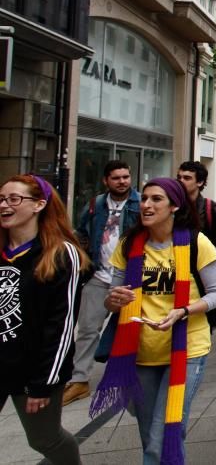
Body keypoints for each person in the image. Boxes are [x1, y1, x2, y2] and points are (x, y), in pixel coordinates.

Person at [90, 178, 216, 464]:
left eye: (156, 199)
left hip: (187, 348)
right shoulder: (129, 243)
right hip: (140, 352)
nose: (147, 205)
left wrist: (184, 311)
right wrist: (113, 301)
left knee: (162, 436)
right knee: (150, 435)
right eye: (145, 199)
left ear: (174, 206)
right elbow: (113, 296)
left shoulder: (196, 242)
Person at [1, 175, 89, 464]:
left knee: (44, 439)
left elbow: (61, 327)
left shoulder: (62, 254)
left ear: (39, 204)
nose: (5, 205)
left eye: (14, 199)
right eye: (1, 199)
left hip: (34, 370)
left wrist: (44, 383)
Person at [63, 160, 140, 406]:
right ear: (106, 180)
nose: (122, 181)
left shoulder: (140, 203)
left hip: (130, 278)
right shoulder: (96, 205)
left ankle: (130, 375)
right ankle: (79, 380)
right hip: (99, 275)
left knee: (131, 329)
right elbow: (82, 233)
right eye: (116, 178)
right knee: (87, 329)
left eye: (126, 177)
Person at [176, 160, 216, 261]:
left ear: (200, 182)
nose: (181, 181)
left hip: (202, 269)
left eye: (187, 178)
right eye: (179, 177)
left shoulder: (214, 210)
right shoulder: (172, 207)